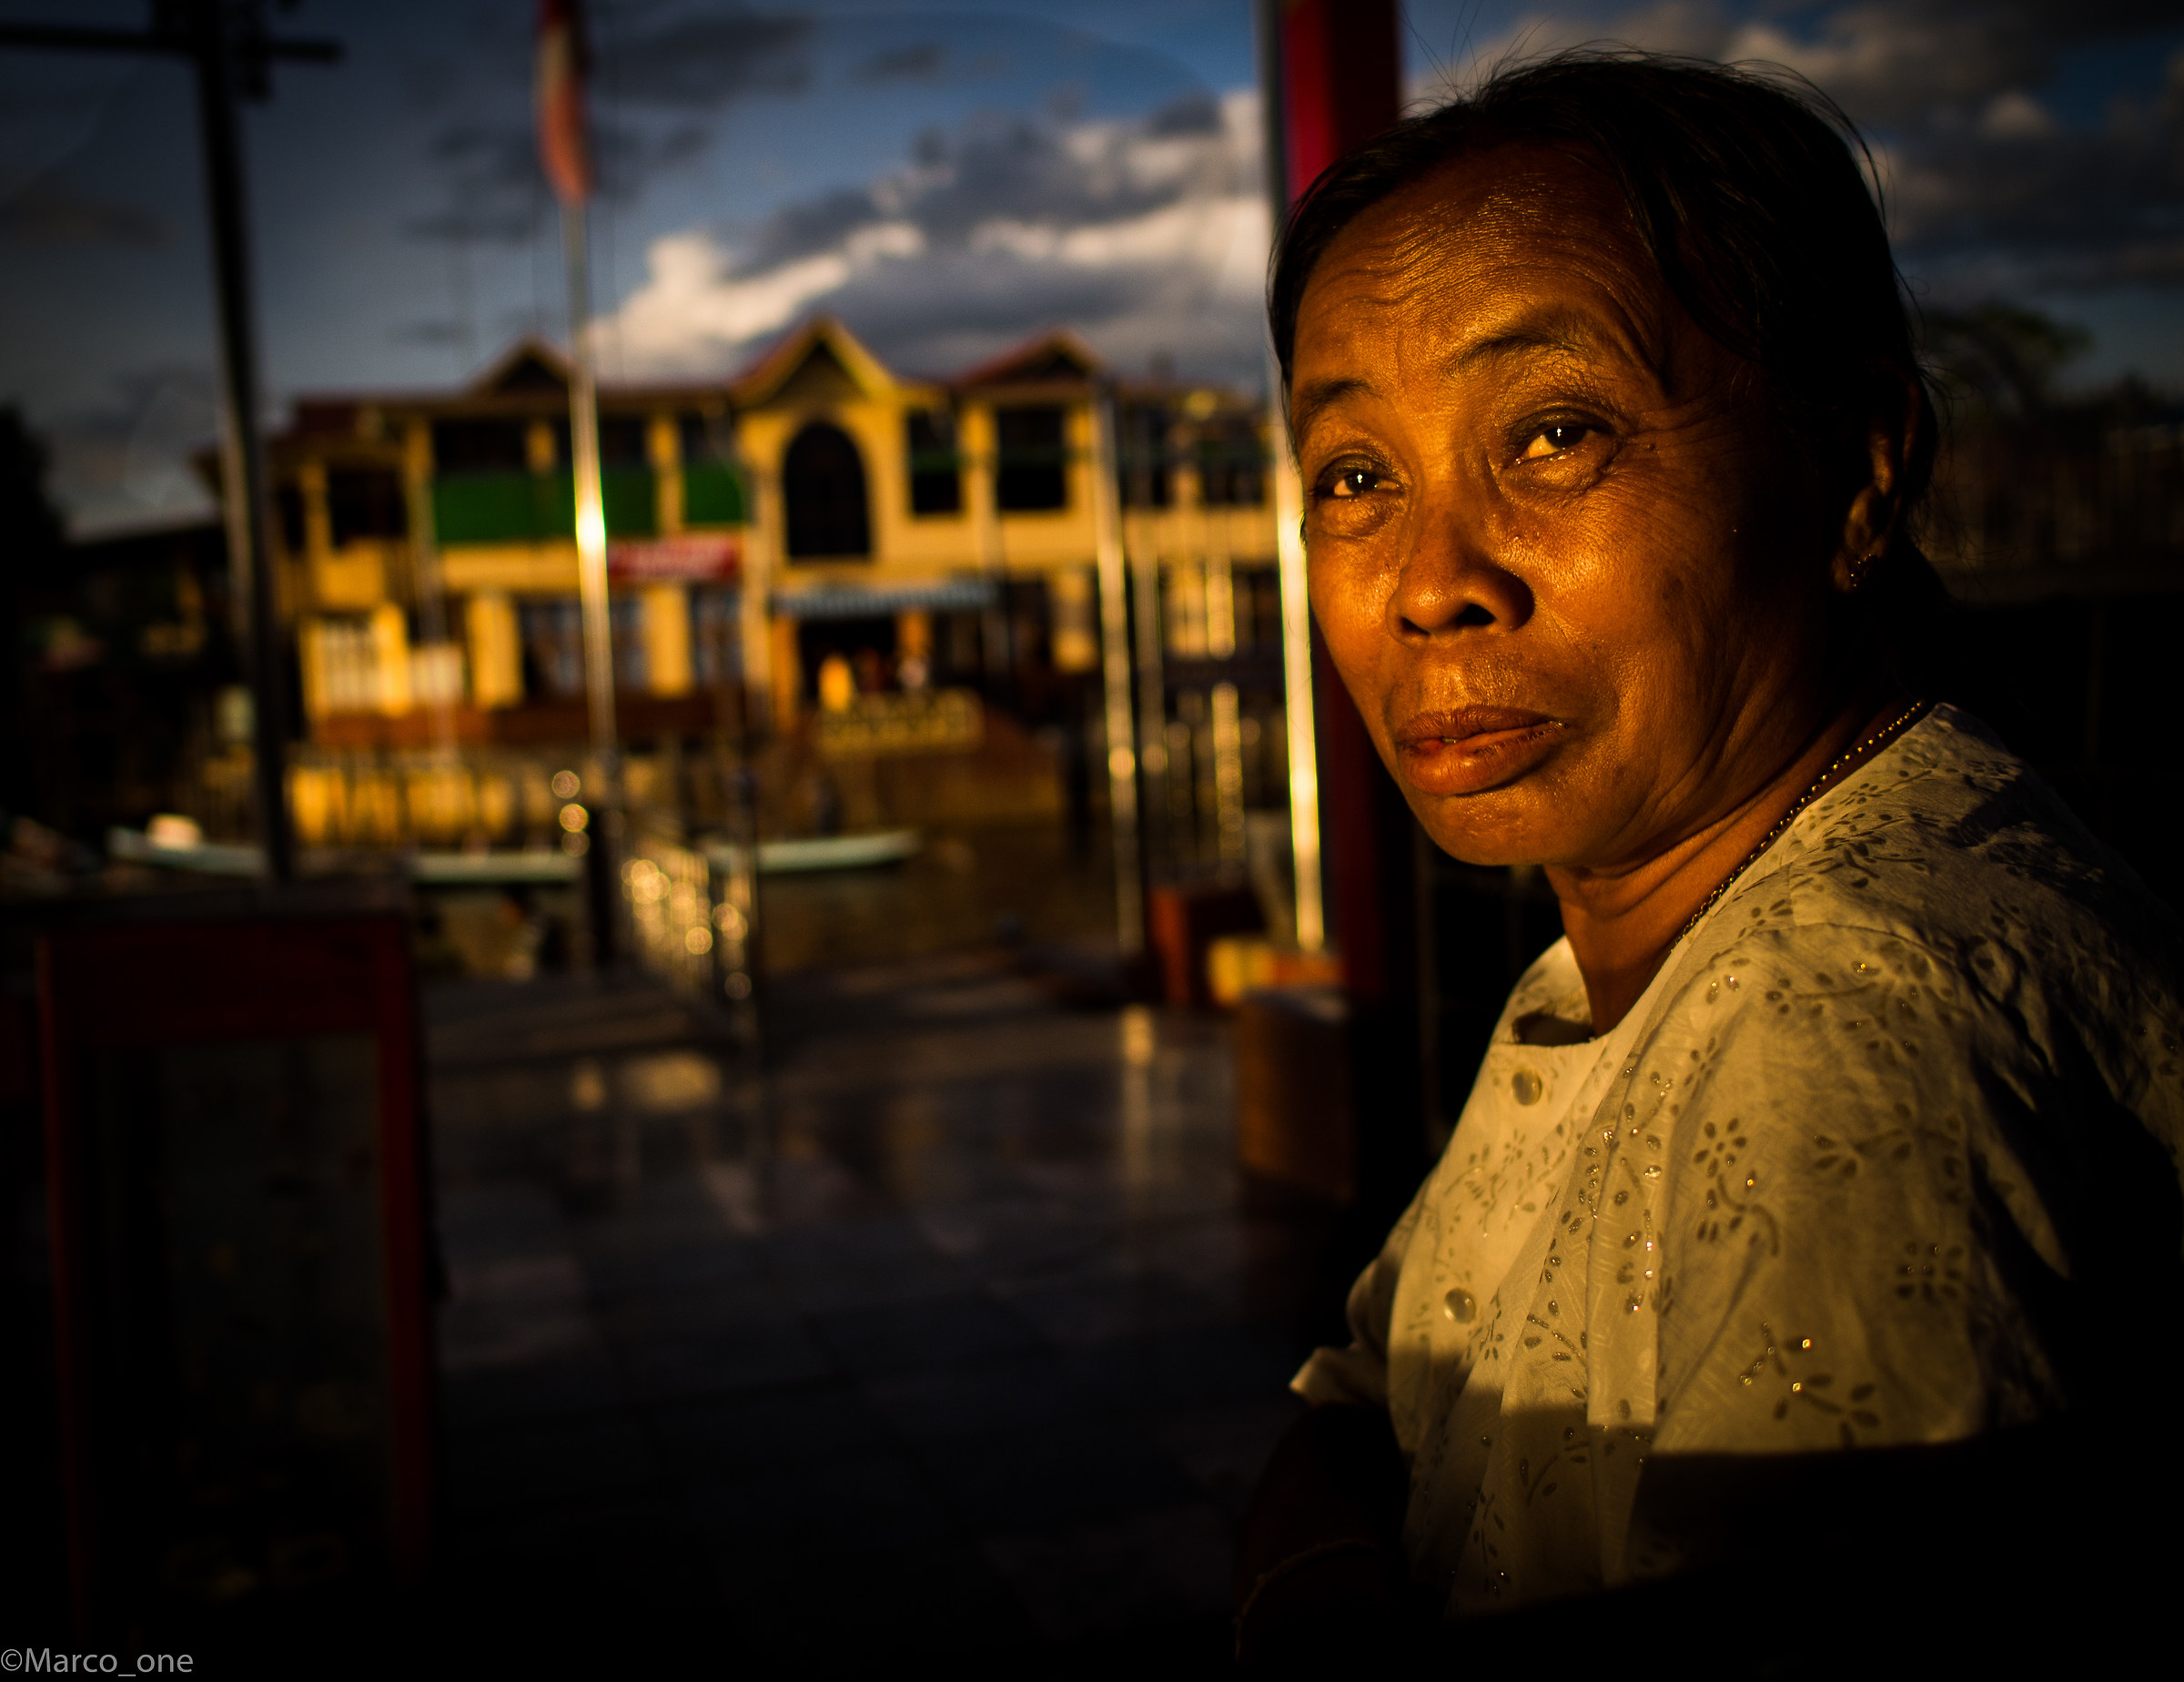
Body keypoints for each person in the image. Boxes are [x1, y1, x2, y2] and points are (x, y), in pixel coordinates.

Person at [1234, 49, 2184, 1667]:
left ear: (1860, 469)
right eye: (1358, 478)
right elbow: (1358, 1399)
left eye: (1552, 435)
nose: (1429, 583)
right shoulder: (1647, 942)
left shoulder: (1841, 1025)